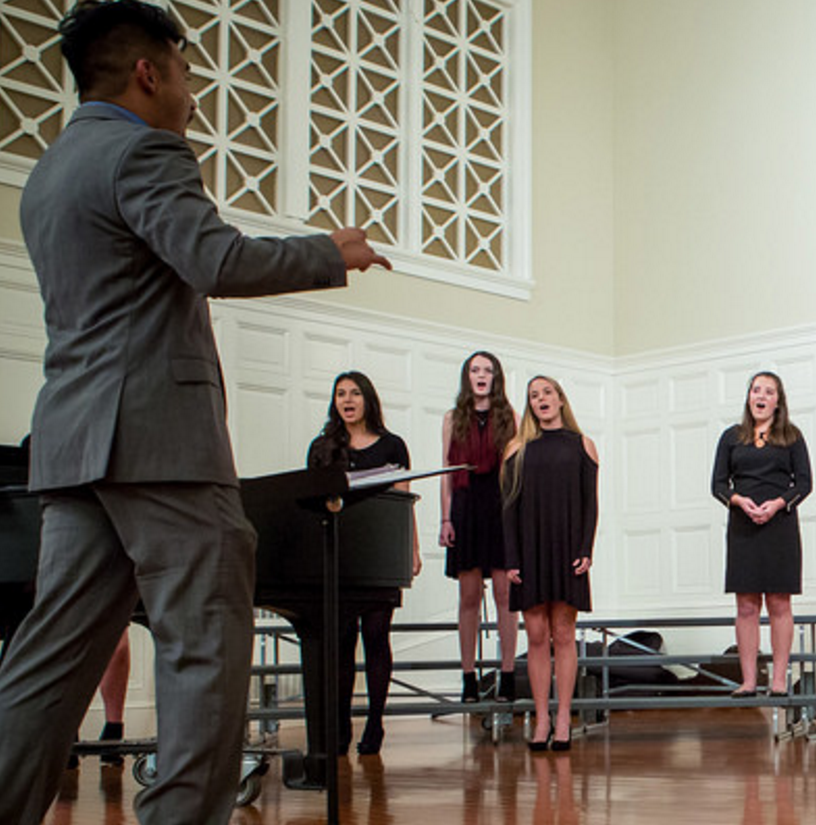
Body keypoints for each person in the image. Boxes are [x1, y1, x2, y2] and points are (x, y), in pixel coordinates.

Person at [0, 1, 391, 823]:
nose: (188, 87)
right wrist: (329, 249)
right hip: (161, 443)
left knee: (46, 664)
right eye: (183, 70)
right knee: (205, 648)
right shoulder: (146, 150)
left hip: (72, 447)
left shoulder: (49, 172)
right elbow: (212, 257)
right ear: (149, 71)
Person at [307, 371, 421, 755]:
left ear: (368, 399)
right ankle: (339, 726)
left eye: (355, 392)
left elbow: (405, 503)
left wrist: (411, 550)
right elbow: (308, 504)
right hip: (337, 553)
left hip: (379, 553)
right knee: (340, 642)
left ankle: (375, 723)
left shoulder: (393, 446)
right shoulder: (322, 447)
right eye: (340, 394)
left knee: (376, 637)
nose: (347, 399)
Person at [502, 376, 599, 751]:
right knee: (537, 635)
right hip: (529, 549)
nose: (540, 399)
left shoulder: (582, 446)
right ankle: (541, 719)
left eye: (546, 393)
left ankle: (563, 719)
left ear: (560, 399)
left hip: (567, 548)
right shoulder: (517, 448)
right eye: (533, 396)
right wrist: (511, 557)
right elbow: (508, 508)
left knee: (563, 634)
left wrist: (586, 548)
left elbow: (591, 503)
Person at [711, 371, 811, 697]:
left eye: (769, 391)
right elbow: (718, 484)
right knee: (746, 606)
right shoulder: (731, 437)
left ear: (778, 401)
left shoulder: (792, 436)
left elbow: (805, 482)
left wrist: (778, 504)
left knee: (779, 602)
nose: (762, 396)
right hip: (743, 527)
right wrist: (739, 501)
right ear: (749, 396)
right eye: (757, 390)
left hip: (780, 525)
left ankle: (779, 679)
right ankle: (750, 680)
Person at [440, 351, 519, 703]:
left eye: (488, 370)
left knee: (505, 595)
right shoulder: (452, 418)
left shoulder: (510, 417)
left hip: (499, 507)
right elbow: (445, 473)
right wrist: (445, 519)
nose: (481, 375)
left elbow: (518, 473)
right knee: (468, 596)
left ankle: (507, 675)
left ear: (496, 377)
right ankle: (468, 677)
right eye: (475, 370)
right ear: (467, 377)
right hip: (466, 506)